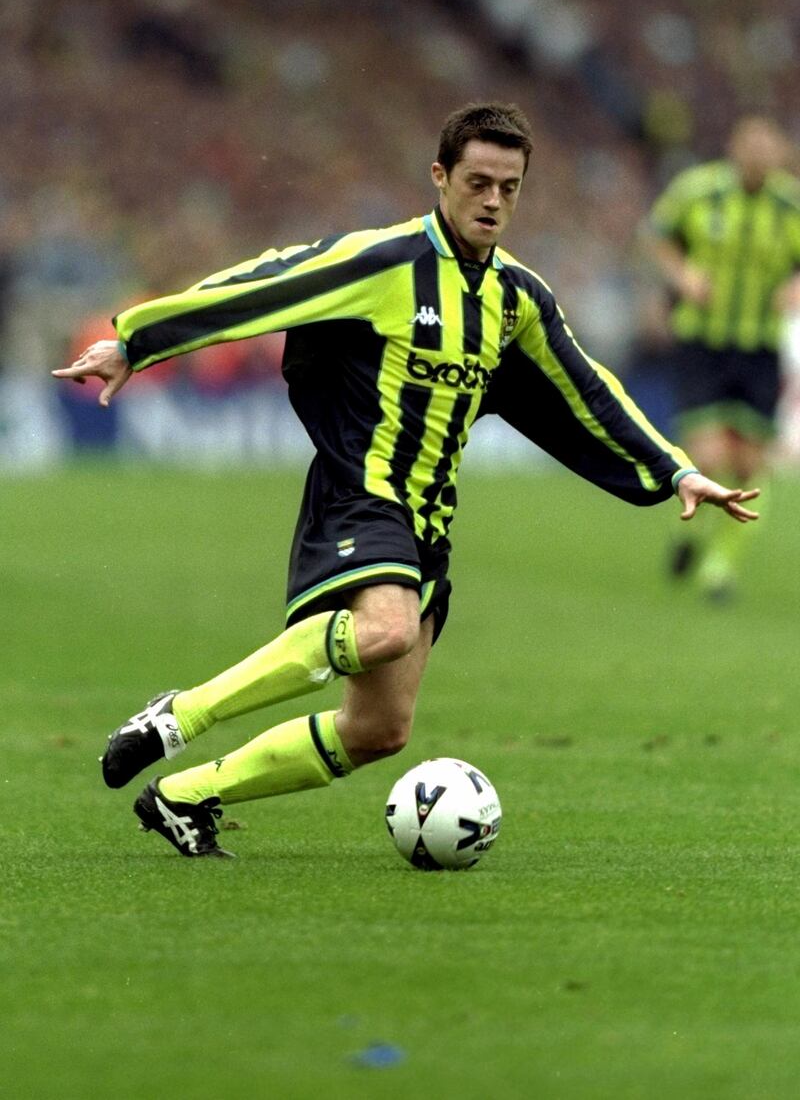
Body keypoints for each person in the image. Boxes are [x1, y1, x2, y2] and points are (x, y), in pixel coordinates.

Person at [53, 102, 759, 859]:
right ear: (440, 176)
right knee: (385, 632)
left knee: (378, 731)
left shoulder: (518, 296)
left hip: (428, 518)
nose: (493, 201)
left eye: (510, 187)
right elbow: (265, 286)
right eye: (479, 181)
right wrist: (136, 339)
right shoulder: (384, 262)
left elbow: (585, 386)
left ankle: (188, 797)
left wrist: (675, 469)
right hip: (360, 490)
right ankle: (179, 716)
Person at [641, 116, 800, 601]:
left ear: (780, 153)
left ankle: (718, 564)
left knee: (751, 465)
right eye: (749, 143)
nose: (757, 154)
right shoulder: (698, 190)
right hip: (703, 344)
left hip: (759, 348)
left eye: (766, 146)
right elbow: (656, 235)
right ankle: (691, 536)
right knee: (709, 455)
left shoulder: (790, 203)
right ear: (734, 146)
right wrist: (683, 276)